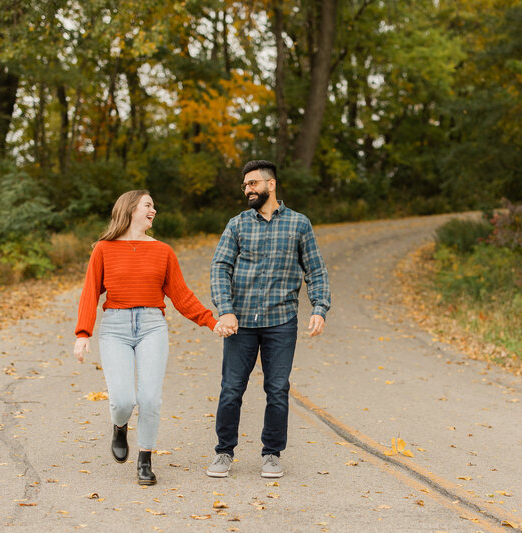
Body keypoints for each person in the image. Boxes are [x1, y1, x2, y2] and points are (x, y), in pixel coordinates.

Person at [73, 190, 229, 486]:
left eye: (154, 206)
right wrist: (83, 334)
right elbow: (90, 293)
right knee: (122, 400)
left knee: (149, 399)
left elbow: (181, 296)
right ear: (131, 209)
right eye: (148, 205)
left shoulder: (163, 251)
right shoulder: (104, 249)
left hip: (151, 326)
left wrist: (211, 321)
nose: (153, 210)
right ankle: (120, 426)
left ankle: (145, 460)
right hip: (115, 328)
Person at [206, 160, 331, 479]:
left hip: (281, 320)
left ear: (270, 185)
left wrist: (319, 307)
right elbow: (220, 266)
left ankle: (272, 454)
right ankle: (223, 453)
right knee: (231, 388)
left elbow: (315, 269)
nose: (247, 190)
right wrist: (226, 309)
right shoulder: (237, 224)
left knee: (277, 388)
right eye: (245, 186)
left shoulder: (299, 224)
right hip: (241, 321)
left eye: (253, 184)